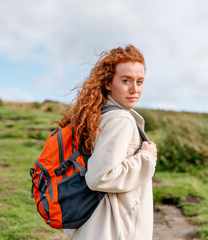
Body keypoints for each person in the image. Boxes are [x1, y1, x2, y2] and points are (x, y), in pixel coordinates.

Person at [55, 45, 157, 240]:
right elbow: (99, 177)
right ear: (108, 83)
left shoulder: (97, 114)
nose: (135, 89)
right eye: (126, 80)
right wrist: (146, 158)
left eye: (140, 81)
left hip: (94, 224)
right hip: (112, 229)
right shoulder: (120, 120)